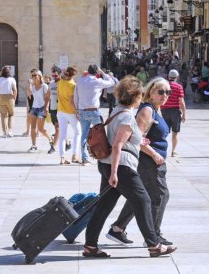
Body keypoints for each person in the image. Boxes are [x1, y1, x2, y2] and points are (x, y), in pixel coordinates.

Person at [83, 75, 177, 258]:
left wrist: (138, 140)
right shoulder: (126, 116)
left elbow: (120, 138)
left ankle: (90, 246)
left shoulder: (117, 110)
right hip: (121, 166)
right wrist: (115, 173)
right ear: (136, 97)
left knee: (104, 206)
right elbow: (118, 145)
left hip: (107, 163)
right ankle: (154, 245)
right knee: (143, 200)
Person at [107, 77, 173, 246]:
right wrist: (154, 155)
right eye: (161, 92)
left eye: (168, 92)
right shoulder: (147, 111)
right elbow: (136, 138)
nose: (165, 95)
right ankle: (153, 237)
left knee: (141, 196)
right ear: (151, 92)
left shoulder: (157, 110)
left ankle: (117, 228)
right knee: (160, 195)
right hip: (148, 161)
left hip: (153, 160)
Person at [74, 64, 115, 166]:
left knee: (84, 135)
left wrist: (77, 111)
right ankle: (103, 154)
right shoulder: (97, 81)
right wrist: (103, 73)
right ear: (97, 72)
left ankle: (85, 158)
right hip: (94, 111)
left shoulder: (80, 81)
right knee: (100, 134)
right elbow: (112, 82)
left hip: (82, 111)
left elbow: (76, 97)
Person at [57, 66, 81, 165]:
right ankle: (74, 155)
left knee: (62, 135)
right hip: (70, 112)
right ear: (74, 74)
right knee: (78, 132)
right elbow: (72, 101)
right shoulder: (72, 84)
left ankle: (62, 158)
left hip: (60, 111)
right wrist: (77, 112)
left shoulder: (60, 82)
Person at [26, 69, 52, 152]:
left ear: (40, 76)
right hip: (34, 108)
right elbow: (29, 94)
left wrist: (46, 108)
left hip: (42, 108)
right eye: (32, 75)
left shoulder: (44, 86)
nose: (33, 77)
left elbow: (48, 98)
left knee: (40, 129)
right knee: (33, 128)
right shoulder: (33, 86)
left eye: (35, 75)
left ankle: (50, 138)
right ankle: (34, 145)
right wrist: (30, 83)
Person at [161, 69, 186, 157]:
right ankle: (173, 151)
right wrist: (184, 114)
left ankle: (161, 149)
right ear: (177, 77)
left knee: (164, 132)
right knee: (175, 132)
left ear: (169, 76)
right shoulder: (178, 87)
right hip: (175, 111)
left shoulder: (164, 86)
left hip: (164, 110)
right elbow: (181, 101)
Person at [0, 66, 17, 137]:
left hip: (2, 97)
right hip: (10, 97)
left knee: (3, 115)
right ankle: (10, 131)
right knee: (11, 114)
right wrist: (14, 98)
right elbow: (15, 90)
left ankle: (4, 132)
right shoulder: (12, 79)